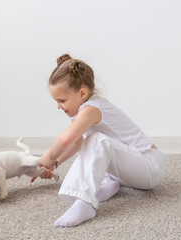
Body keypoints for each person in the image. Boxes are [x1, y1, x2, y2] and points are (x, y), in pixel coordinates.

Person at [33, 54, 166, 227]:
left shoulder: (92, 108)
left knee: (97, 140)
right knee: (93, 146)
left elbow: (67, 139)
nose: (58, 106)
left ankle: (85, 203)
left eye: (62, 100)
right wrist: (55, 163)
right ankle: (107, 185)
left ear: (82, 93)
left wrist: (48, 157)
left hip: (149, 166)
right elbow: (77, 143)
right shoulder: (81, 112)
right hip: (123, 172)